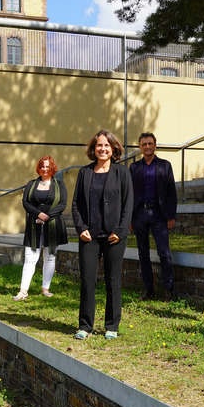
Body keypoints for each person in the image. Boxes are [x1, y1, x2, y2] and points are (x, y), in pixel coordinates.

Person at [70, 130, 133, 340]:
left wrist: (120, 230)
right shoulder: (84, 173)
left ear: (114, 148)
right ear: (93, 149)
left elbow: (128, 204)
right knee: (87, 280)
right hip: (89, 236)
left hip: (114, 236)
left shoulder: (122, 173)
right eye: (99, 145)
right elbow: (76, 204)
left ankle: (111, 326)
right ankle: (85, 326)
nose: (102, 149)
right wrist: (81, 228)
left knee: (113, 280)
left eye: (107, 145)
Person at [129, 132, 178, 302]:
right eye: (144, 144)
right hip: (139, 214)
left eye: (150, 143)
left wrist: (171, 216)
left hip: (159, 214)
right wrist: (129, 218)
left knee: (164, 253)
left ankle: (168, 290)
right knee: (143, 254)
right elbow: (129, 194)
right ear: (140, 147)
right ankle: (148, 290)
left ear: (155, 145)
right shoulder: (134, 168)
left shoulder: (165, 165)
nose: (147, 146)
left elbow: (172, 192)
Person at [14, 156, 68, 301]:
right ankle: (23, 290)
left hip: (53, 226)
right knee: (30, 258)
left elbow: (62, 204)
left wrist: (47, 216)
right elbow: (25, 202)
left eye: (47, 166)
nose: (45, 169)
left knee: (50, 258)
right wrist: (38, 214)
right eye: (42, 166)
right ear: (39, 168)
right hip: (34, 225)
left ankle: (45, 288)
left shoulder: (60, 185)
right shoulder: (31, 184)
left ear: (52, 168)